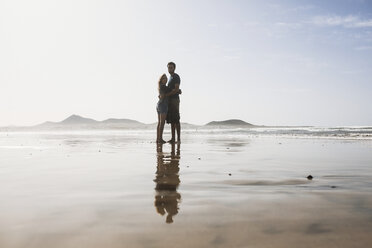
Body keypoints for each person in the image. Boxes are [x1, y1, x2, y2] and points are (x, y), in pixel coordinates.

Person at [165, 62, 181, 143]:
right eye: (168, 67)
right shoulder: (170, 77)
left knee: (176, 119)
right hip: (170, 100)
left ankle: (178, 139)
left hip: (175, 100)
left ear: (174, 68)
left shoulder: (176, 76)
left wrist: (166, 95)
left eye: (171, 67)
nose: (169, 69)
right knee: (171, 120)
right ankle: (173, 138)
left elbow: (176, 89)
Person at [156, 74, 169, 144]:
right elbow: (163, 96)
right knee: (162, 123)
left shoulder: (160, 87)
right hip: (163, 105)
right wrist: (177, 91)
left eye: (166, 78)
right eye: (163, 78)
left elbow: (161, 96)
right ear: (161, 80)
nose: (165, 79)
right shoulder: (163, 87)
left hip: (159, 104)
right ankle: (160, 139)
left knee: (159, 123)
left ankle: (158, 139)